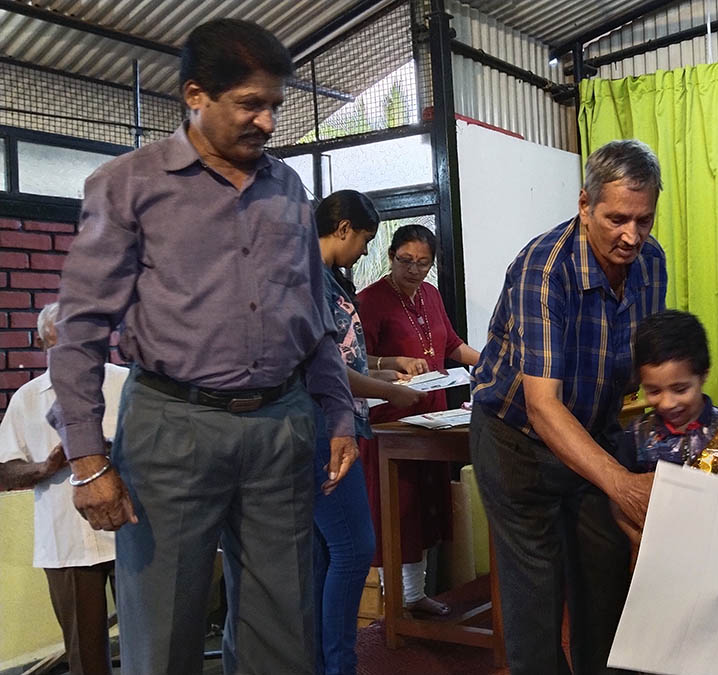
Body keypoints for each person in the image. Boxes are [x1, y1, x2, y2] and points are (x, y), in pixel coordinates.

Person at [47, 19, 356, 674]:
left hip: (281, 428)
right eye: (251, 103)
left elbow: (313, 314)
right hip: (171, 430)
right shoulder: (130, 184)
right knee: (162, 637)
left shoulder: (288, 189)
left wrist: (334, 412)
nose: (268, 121)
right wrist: (88, 460)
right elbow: (79, 324)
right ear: (196, 95)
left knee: (286, 637)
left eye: (274, 104)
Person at [470, 138, 668, 674]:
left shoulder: (651, 263)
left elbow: (645, 376)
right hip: (518, 442)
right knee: (536, 598)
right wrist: (623, 485)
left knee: (604, 585)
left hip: (593, 432)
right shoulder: (544, 267)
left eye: (644, 219)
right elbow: (542, 407)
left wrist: (670, 447)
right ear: (585, 205)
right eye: (616, 219)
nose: (632, 236)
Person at [616, 309, 718, 675]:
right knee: (656, 659)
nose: (667, 403)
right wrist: (633, 533)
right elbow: (619, 497)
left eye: (680, 388)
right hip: (659, 582)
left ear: (703, 375)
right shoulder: (636, 436)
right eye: (653, 391)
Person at [313, 190, 424, 673]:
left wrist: (383, 375)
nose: (363, 250)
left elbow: (345, 358)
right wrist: (389, 393)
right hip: (323, 429)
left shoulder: (328, 280)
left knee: (327, 552)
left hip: (339, 421)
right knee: (354, 547)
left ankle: (323, 660)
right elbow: (323, 369)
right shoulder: (308, 281)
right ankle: (339, 664)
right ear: (342, 228)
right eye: (364, 239)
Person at [357, 224, 480, 615]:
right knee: (399, 507)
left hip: (433, 416)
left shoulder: (430, 294)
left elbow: (453, 346)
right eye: (405, 261)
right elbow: (355, 362)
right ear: (391, 256)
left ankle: (414, 595)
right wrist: (391, 363)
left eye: (423, 263)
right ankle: (393, 602)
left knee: (426, 504)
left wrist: (496, 362)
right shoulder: (370, 300)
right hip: (393, 422)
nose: (414, 270)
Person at [0, 303, 126, 675]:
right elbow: (4, 472)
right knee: (84, 658)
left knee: (148, 644)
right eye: (59, 344)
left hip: (131, 533)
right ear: (41, 343)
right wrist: (45, 467)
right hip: (65, 543)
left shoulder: (128, 384)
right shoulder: (27, 398)